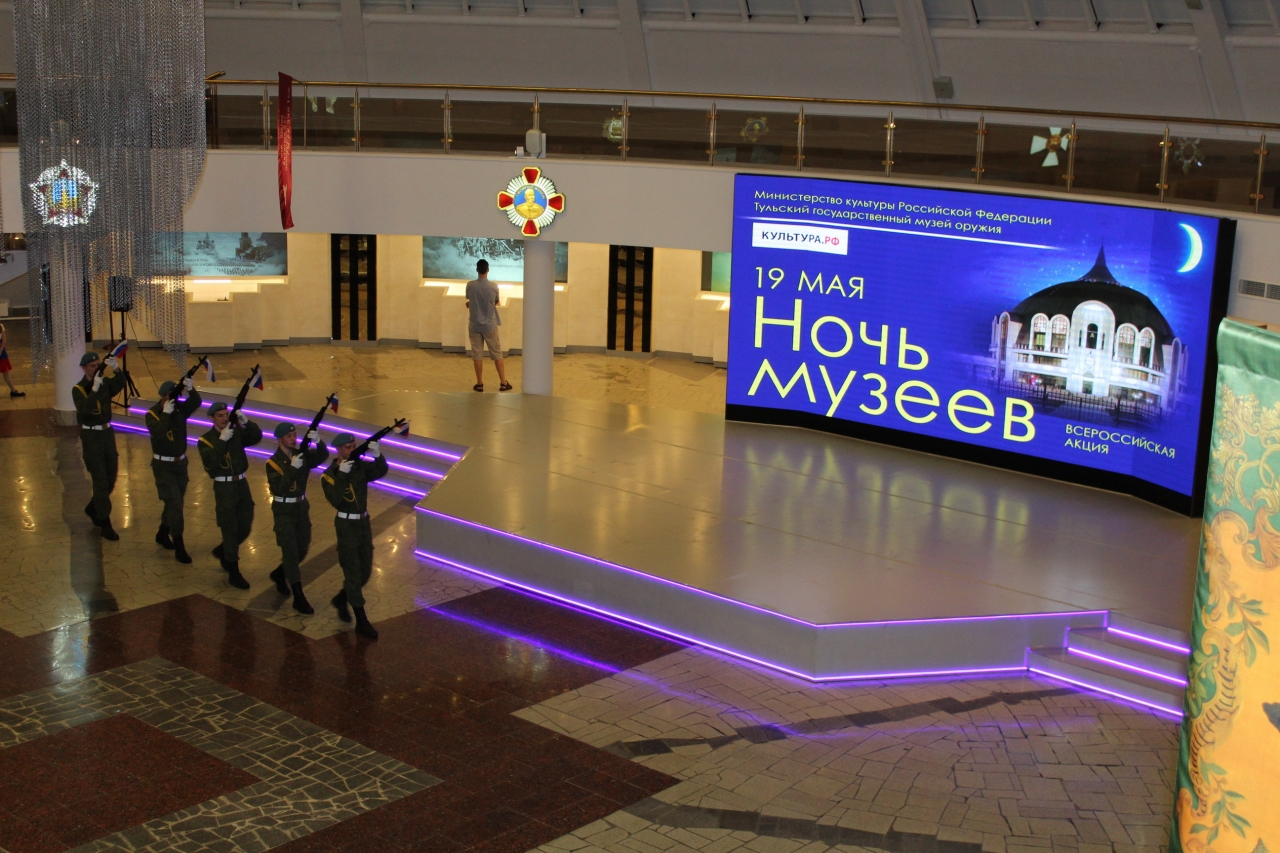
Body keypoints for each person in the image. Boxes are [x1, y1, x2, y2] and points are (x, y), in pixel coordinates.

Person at [321, 432, 388, 639]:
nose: (352, 451)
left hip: (363, 523)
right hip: (346, 525)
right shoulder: (329, 475)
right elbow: (335, 500)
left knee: (365, 571)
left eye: (353, 447)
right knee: (352, 572)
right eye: (348, 448)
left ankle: (342, 598)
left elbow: (379, 471)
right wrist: (342, 474)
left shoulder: (359, 467)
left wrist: (377, 455)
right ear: (338, 449)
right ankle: (361, 620)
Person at [265, 421, 328, 614]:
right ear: (280, 439)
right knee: (291, 553)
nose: (293, 439)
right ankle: (298, 597)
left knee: (302, 549)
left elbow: (321, 456)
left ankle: (280, 573)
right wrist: (292, 468)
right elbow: (278, 488)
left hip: (301, 508)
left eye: (294, 435)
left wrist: (319, 442)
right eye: (289, 436)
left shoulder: (301, 455)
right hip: (284, 510)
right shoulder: (273, 463)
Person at [197, 401, 262, 589]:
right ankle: (234, 572)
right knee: (230, 528)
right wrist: (221, 441)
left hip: (241, 484)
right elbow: (210, 464)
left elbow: (255, 437)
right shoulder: (206, 440)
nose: (224, 418)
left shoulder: (235, 432)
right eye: (220, 416)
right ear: (211, 418)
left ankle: (224, 549)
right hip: (224, 487)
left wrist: (247, 422)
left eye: (226, 414)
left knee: (245, 525)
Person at [145, 377, 202, 564]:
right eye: (171, 394)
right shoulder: (152, 414)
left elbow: (196, 402)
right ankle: (179, 545)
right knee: (175, 504)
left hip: (180, 464)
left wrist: (191, 389)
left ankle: (163, 532)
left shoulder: (179, 409)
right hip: (163, 466)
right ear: (163, 396)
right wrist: (166, 415)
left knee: (174, 502)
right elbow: (158, 433)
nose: (175, 398)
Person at [74, 351, 127, 540]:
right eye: (92, 366)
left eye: (98, 364)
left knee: (111, 477)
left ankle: (93, 507)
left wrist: (116, 368)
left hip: (106, 434)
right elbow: (84, 411)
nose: (96, 368)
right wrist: (94, 390)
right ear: (84, 368)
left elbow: (120, 384)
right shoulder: (79, 389)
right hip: (91, 436)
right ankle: (105, 523)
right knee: (101, 482)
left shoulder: (104, 383)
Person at [465, 259, 511, 393]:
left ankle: (479, 384)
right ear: (488, 270)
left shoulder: (470, 285)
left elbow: (470, 299)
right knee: (497, 354)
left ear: (476, 270)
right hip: (490, 325)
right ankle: (503, 383)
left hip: (474, 325)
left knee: (477, 355)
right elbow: (495, 301)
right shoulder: (493, 287)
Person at [0, 323, 25, 397]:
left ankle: (13, 390)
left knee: (6, 372)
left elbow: (4, 340)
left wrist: (0, 350)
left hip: (1, 352)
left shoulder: (0, 326)